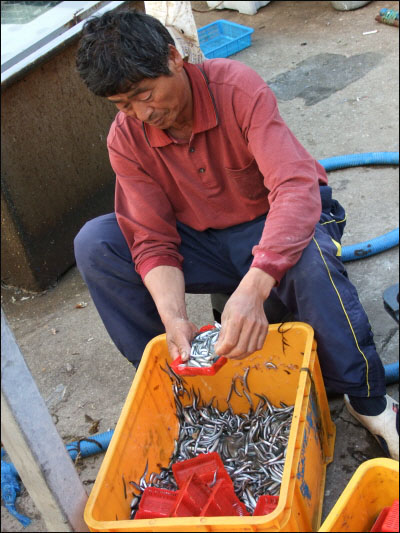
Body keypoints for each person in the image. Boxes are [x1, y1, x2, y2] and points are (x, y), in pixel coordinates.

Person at [74, 10, 398, 460]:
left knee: (308, 258)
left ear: (174, 56)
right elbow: (151, 238)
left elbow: (295, 191)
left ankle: (368, 402)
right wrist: (174, 318)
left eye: (144, 94)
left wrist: (254, 285)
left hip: (276, 223)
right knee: (96, 243)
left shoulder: (236, 87)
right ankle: (178, 379)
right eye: (123, 104)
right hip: (204, 241)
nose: (142, 113)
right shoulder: (126, 137)